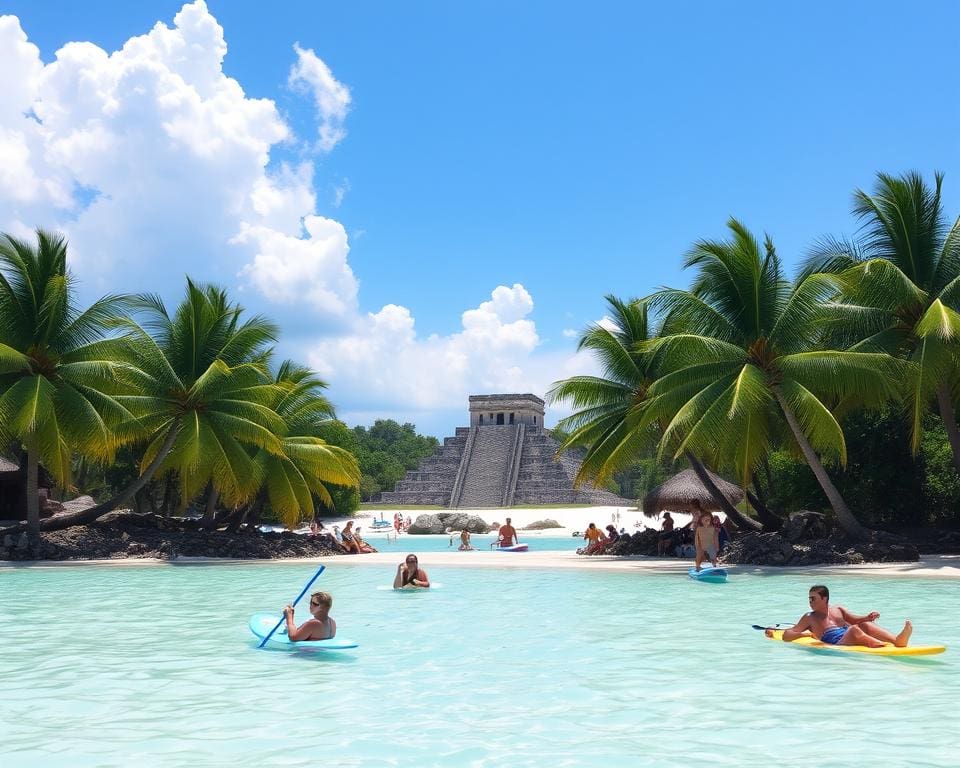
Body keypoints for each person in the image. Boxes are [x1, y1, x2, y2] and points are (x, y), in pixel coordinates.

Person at [766, 585, 913, 648]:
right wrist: (804, 634)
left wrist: (867, 617)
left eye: (813, 598)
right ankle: (877, 644)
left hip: (850, 632)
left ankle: (897, 640)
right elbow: (787, 635)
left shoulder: (838, 608)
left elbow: (855, 620)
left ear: (824, 599)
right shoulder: (809, 617)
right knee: (854, 630)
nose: (810, 602)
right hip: (836, 641)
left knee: (864, 625)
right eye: (809, 598)